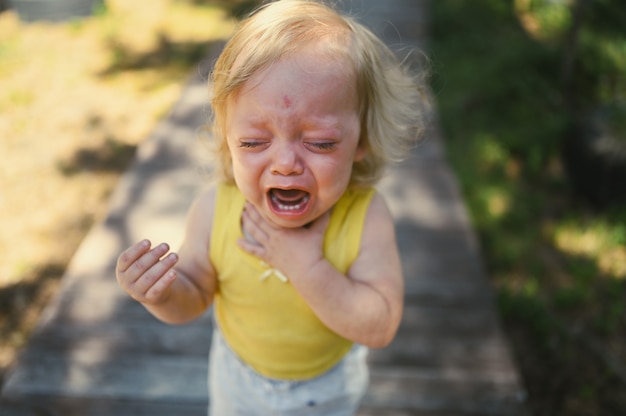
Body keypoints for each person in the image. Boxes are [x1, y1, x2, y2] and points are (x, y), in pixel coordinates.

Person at [115, 0, 428, 414]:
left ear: (362, 140)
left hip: (327, 387)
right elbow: (193, 295)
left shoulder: (366, 216)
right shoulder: (215, 210)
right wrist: (161, 294)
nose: (284, 163)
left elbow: (380, 325)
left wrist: (306, 266)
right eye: (253, 142)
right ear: (227, 140)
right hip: (237, 379)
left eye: (319, 142)